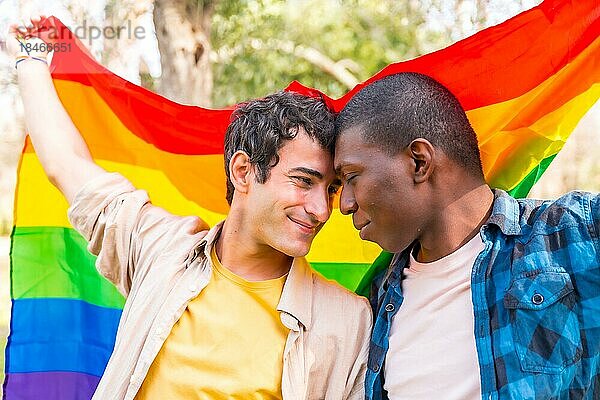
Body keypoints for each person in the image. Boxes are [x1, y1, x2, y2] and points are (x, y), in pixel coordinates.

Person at [8, 17, 371, 400]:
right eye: (303, 181)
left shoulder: (349, 322)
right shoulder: (160, 249)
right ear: (244, 171)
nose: (321, 209)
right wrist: (31, 57)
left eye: (331, 189)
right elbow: (66, 164)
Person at [333, 72, 600, 400]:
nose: (344, 204)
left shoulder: (571, 235)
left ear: (420, 162)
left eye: (351, 176)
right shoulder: (375, 300)